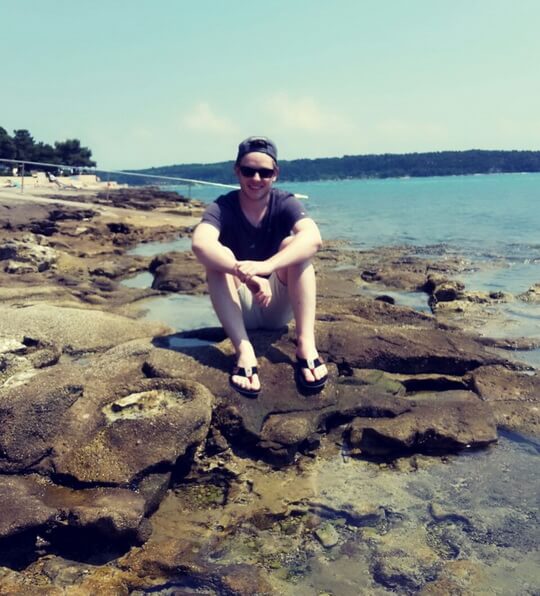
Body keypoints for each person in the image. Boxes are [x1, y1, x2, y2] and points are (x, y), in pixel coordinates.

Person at [191, 136, 328, 397]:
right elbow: (200, 244)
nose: (256, 178)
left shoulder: (285, 202)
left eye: (264, 172)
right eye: (248, 171)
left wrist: (265, 266)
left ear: (275, 174)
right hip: (239, 307)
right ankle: (244, 351)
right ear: (237, 171)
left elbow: (313, 238)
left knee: (293, 245)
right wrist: (244, 273)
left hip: (276, 306)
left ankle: (306, 345)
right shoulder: (223, 206)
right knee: (219, 255)